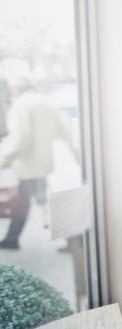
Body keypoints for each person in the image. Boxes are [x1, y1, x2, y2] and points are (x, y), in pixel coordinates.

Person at [0, 77, 78, 250]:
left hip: (28, 164)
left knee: (25, 201)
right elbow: (64, 130)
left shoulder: (20, 106)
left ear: (15, 88)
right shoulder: (46, 102)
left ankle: (12, 238)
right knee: (43, 202)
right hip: (46, 162)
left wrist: (5, 159)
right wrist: (76, 155)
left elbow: (22, 138)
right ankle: (72, 239)